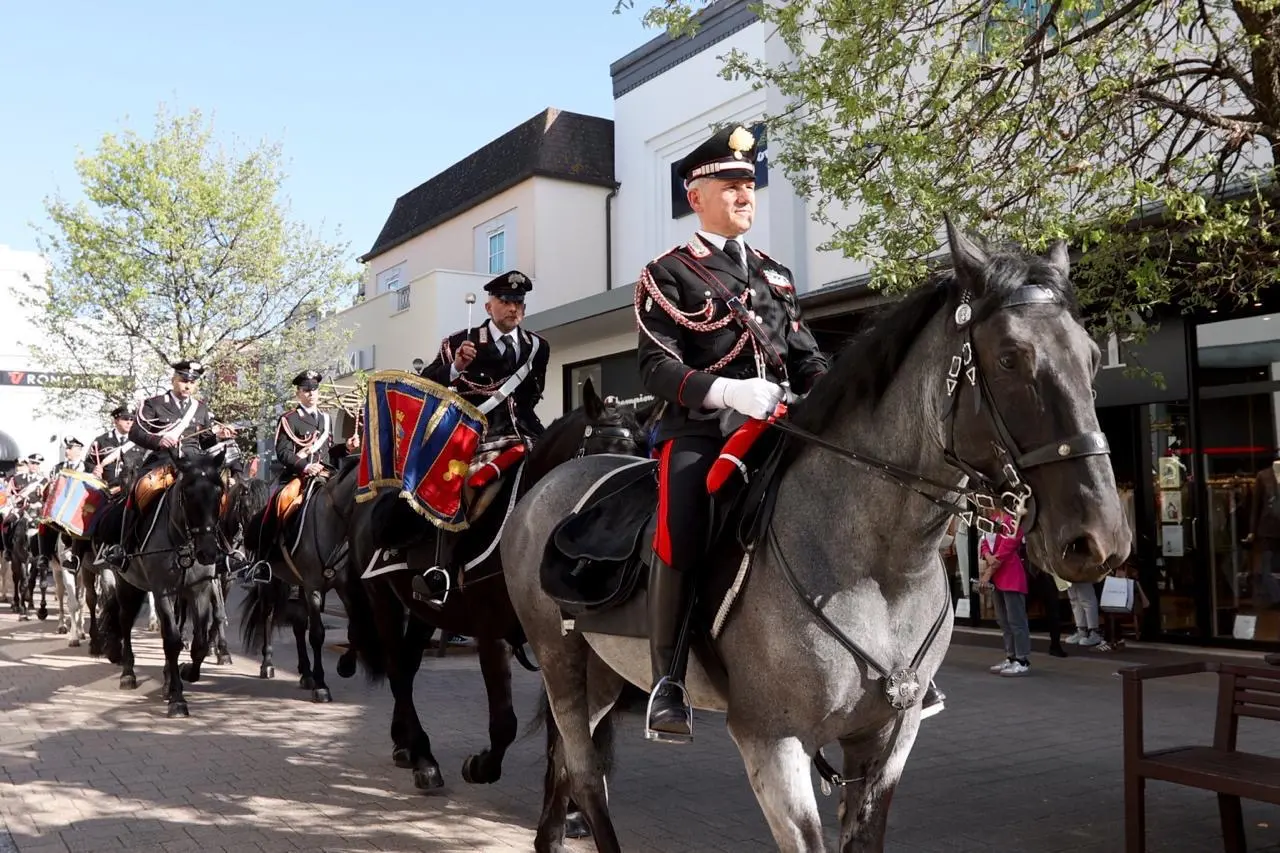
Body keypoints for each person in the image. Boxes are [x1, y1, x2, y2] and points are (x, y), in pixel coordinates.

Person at [633, 124, 849, 742]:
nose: (744, 195)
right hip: (702, 429)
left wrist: (827, 390)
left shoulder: (777, 276)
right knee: (684, 523)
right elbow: (655, 366)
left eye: (749, 185)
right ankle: (667, 680)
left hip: (779, 425)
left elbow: (805, 353)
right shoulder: (667, 273)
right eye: (729, 186)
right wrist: (727, 392)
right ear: (694, 195)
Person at [408, 270, 550, 604]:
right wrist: (456, 368)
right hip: (476, 437)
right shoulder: (461, 342)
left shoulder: (537, 347)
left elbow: (530, 398)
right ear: (489, 307)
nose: (513, 308)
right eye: (505, 301)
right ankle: (442, 568)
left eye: (518, 302)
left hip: (525, 433)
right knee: (459, 485)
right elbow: (428, 386)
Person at [105, 359, 237, 563]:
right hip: (163, 462)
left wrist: (219, 435)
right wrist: (159, 440)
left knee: (215, 493)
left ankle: (222, 546)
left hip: (194, 464)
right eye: (183, 380)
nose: (187, 385)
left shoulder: (200, 407)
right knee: (140, 489)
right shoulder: (153, 404)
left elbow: (205, 440)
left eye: (192, 382)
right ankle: (125, 545)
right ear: (173, 379)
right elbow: (135, 433)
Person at [247, 369, 359, 575]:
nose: (311, 394)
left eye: (314, 389)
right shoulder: (289, 418)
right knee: (279, 501)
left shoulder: (326, 419)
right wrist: (306, 466)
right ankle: (264, 559)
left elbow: (327, 451)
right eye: (306, 390)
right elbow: (282, 452)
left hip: (325, 474)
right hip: (299, 475)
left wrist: (346, 448)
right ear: (298, 393)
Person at [87, 405, 146, 495]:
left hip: (130, 492)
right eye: (125, 419)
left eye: (132, 419)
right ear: (115, 421)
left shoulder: (141, 442)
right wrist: (94, 470)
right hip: (105, 491)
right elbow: (88, 463)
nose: (129, 422)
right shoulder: (101, 441)